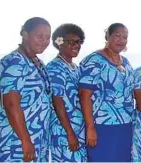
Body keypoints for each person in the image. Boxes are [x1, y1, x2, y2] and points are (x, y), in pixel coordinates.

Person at [0, 17, 52, 162]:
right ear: (25, 34)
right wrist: (25, 140)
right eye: (39, 36)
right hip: (17, 141)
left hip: (38, 139)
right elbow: (11, 104)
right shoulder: (15, 61)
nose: (44, 41)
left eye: (47, 37)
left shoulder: (38, 62)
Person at [78, 23, 134, 162]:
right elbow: (84, 96)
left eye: (125, 37)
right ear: (107, 36)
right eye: (117, 36)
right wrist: (90, 128)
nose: (121, 40)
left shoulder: (126, 62)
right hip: (102, 126)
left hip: (125, 126)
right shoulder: (94, 60)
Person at [46, 23, 87, 162]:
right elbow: (57, 103)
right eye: (71, 42)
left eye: (79, 41)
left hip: (78, 128)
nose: (77, 45)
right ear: (59, 43)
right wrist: (69, 133)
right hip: (64, 130)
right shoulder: (55, 68)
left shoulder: (75, 67)